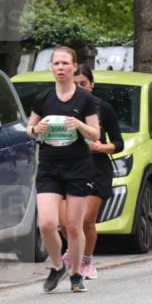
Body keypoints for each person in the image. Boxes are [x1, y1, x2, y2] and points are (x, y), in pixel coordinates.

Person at [27, 47, 101, 293]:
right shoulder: (43, 98)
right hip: (49, 165)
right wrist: (36, 131)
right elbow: (30, 128)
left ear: (73, 66)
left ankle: (77, 274)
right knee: (46, 223)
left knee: (73, 225)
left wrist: (78, 124)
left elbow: (95, 134)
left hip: (78, 166)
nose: (60, 67)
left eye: (65, 63)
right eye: (56, 63)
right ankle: (58, 265)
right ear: (52, 67)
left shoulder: (85, 99)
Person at [61, 64, 125, 280]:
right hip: (69, 168)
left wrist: (101, 147)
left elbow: (118, 143)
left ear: (92, 84)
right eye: (75, 84)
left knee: (86, 219)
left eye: (84, 84)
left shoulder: (102, 108)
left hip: (97, 169)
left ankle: (86, 260)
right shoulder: (61, 107)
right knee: (65, 221)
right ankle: (73, 252)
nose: (80, 88)